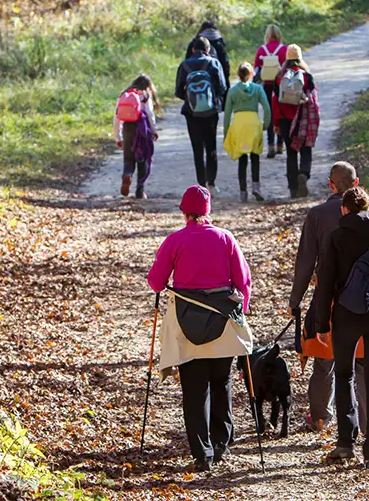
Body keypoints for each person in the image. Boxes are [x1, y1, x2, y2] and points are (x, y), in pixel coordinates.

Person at [148, 185, 254, 472]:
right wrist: (240, 314)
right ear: (208, 211)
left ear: (184, 212)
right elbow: (243, 283)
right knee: (222, 382)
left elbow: (156, 283)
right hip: (222, 322)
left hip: (186, 324)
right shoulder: (225, 238)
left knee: (195, 390)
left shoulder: (174, 241)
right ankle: (222, 443)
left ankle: (202, 453)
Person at [315, 186, 369, 470]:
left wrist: (320, 323)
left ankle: (345, 442)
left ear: (343, 209)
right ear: (367, 208)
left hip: (346, 314)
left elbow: (325, 282)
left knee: (344, 374)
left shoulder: (335, 238)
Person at [289, 162, 369, 431]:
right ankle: (367, 422)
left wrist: (296, 300)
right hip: (365, 300)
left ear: (330, 184)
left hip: (330, 298)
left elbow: (305, 262)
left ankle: (321, 417)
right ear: (356, 182)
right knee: (361, 363)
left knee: (325, 361)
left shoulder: (317, 215)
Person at [176, 37, 227, 194]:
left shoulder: (184, 65)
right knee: (211, 147)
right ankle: (212, 184)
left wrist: (191, 99)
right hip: (211, 112)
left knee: (197, 149)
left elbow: (178, 91)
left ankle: (201, 185)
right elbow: (222, 87)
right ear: (207, 50)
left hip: (191, 113)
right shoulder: (213, 63)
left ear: (192, 50)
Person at [272, 44, 320, 198]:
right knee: (306, 149)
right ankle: (304, 174)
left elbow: (275, 101)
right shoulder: (306, 76)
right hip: (302, 120)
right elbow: (313, 99)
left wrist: (276, 123)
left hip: (285, 120)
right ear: (300, 57)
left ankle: (293, 189)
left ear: (287, 58)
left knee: (291, 153)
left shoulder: (280, 76)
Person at [223, 62, 271, 202]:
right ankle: (256, 187)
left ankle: (243, 191)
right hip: (254, 123)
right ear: (251, 74)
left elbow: (227, 114)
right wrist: (265, 125)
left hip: (239, 124)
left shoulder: (232, 91)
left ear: (238, 75)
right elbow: (267, 108)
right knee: (255, 157)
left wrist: (227, 133)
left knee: (242, 159)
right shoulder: (257, 89)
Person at [113, 74, 161, 199]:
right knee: (143, 159)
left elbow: (117, 118)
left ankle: (127, 174)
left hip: (128, 129)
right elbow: (150, 115)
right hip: (142, 130)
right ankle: (140, 191)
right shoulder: (144, 96)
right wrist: (154, 130)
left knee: (128, 158)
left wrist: (118, 137)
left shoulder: (125, 95)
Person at [254, 25, 288, 159]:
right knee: (280, 113)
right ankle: (280, 144)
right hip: (280, 85)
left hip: (266, 85)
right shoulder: (284, 49)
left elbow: (256, 68)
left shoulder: (262, 49)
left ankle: (270, 145)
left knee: (269, 113)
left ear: (267, 35)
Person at [185, 21, 230, 104]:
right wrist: (223, 90)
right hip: (213, 85)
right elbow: (225, 66)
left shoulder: (194, 43)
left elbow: (186, 62)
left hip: (193, 85)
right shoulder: (219, 43)